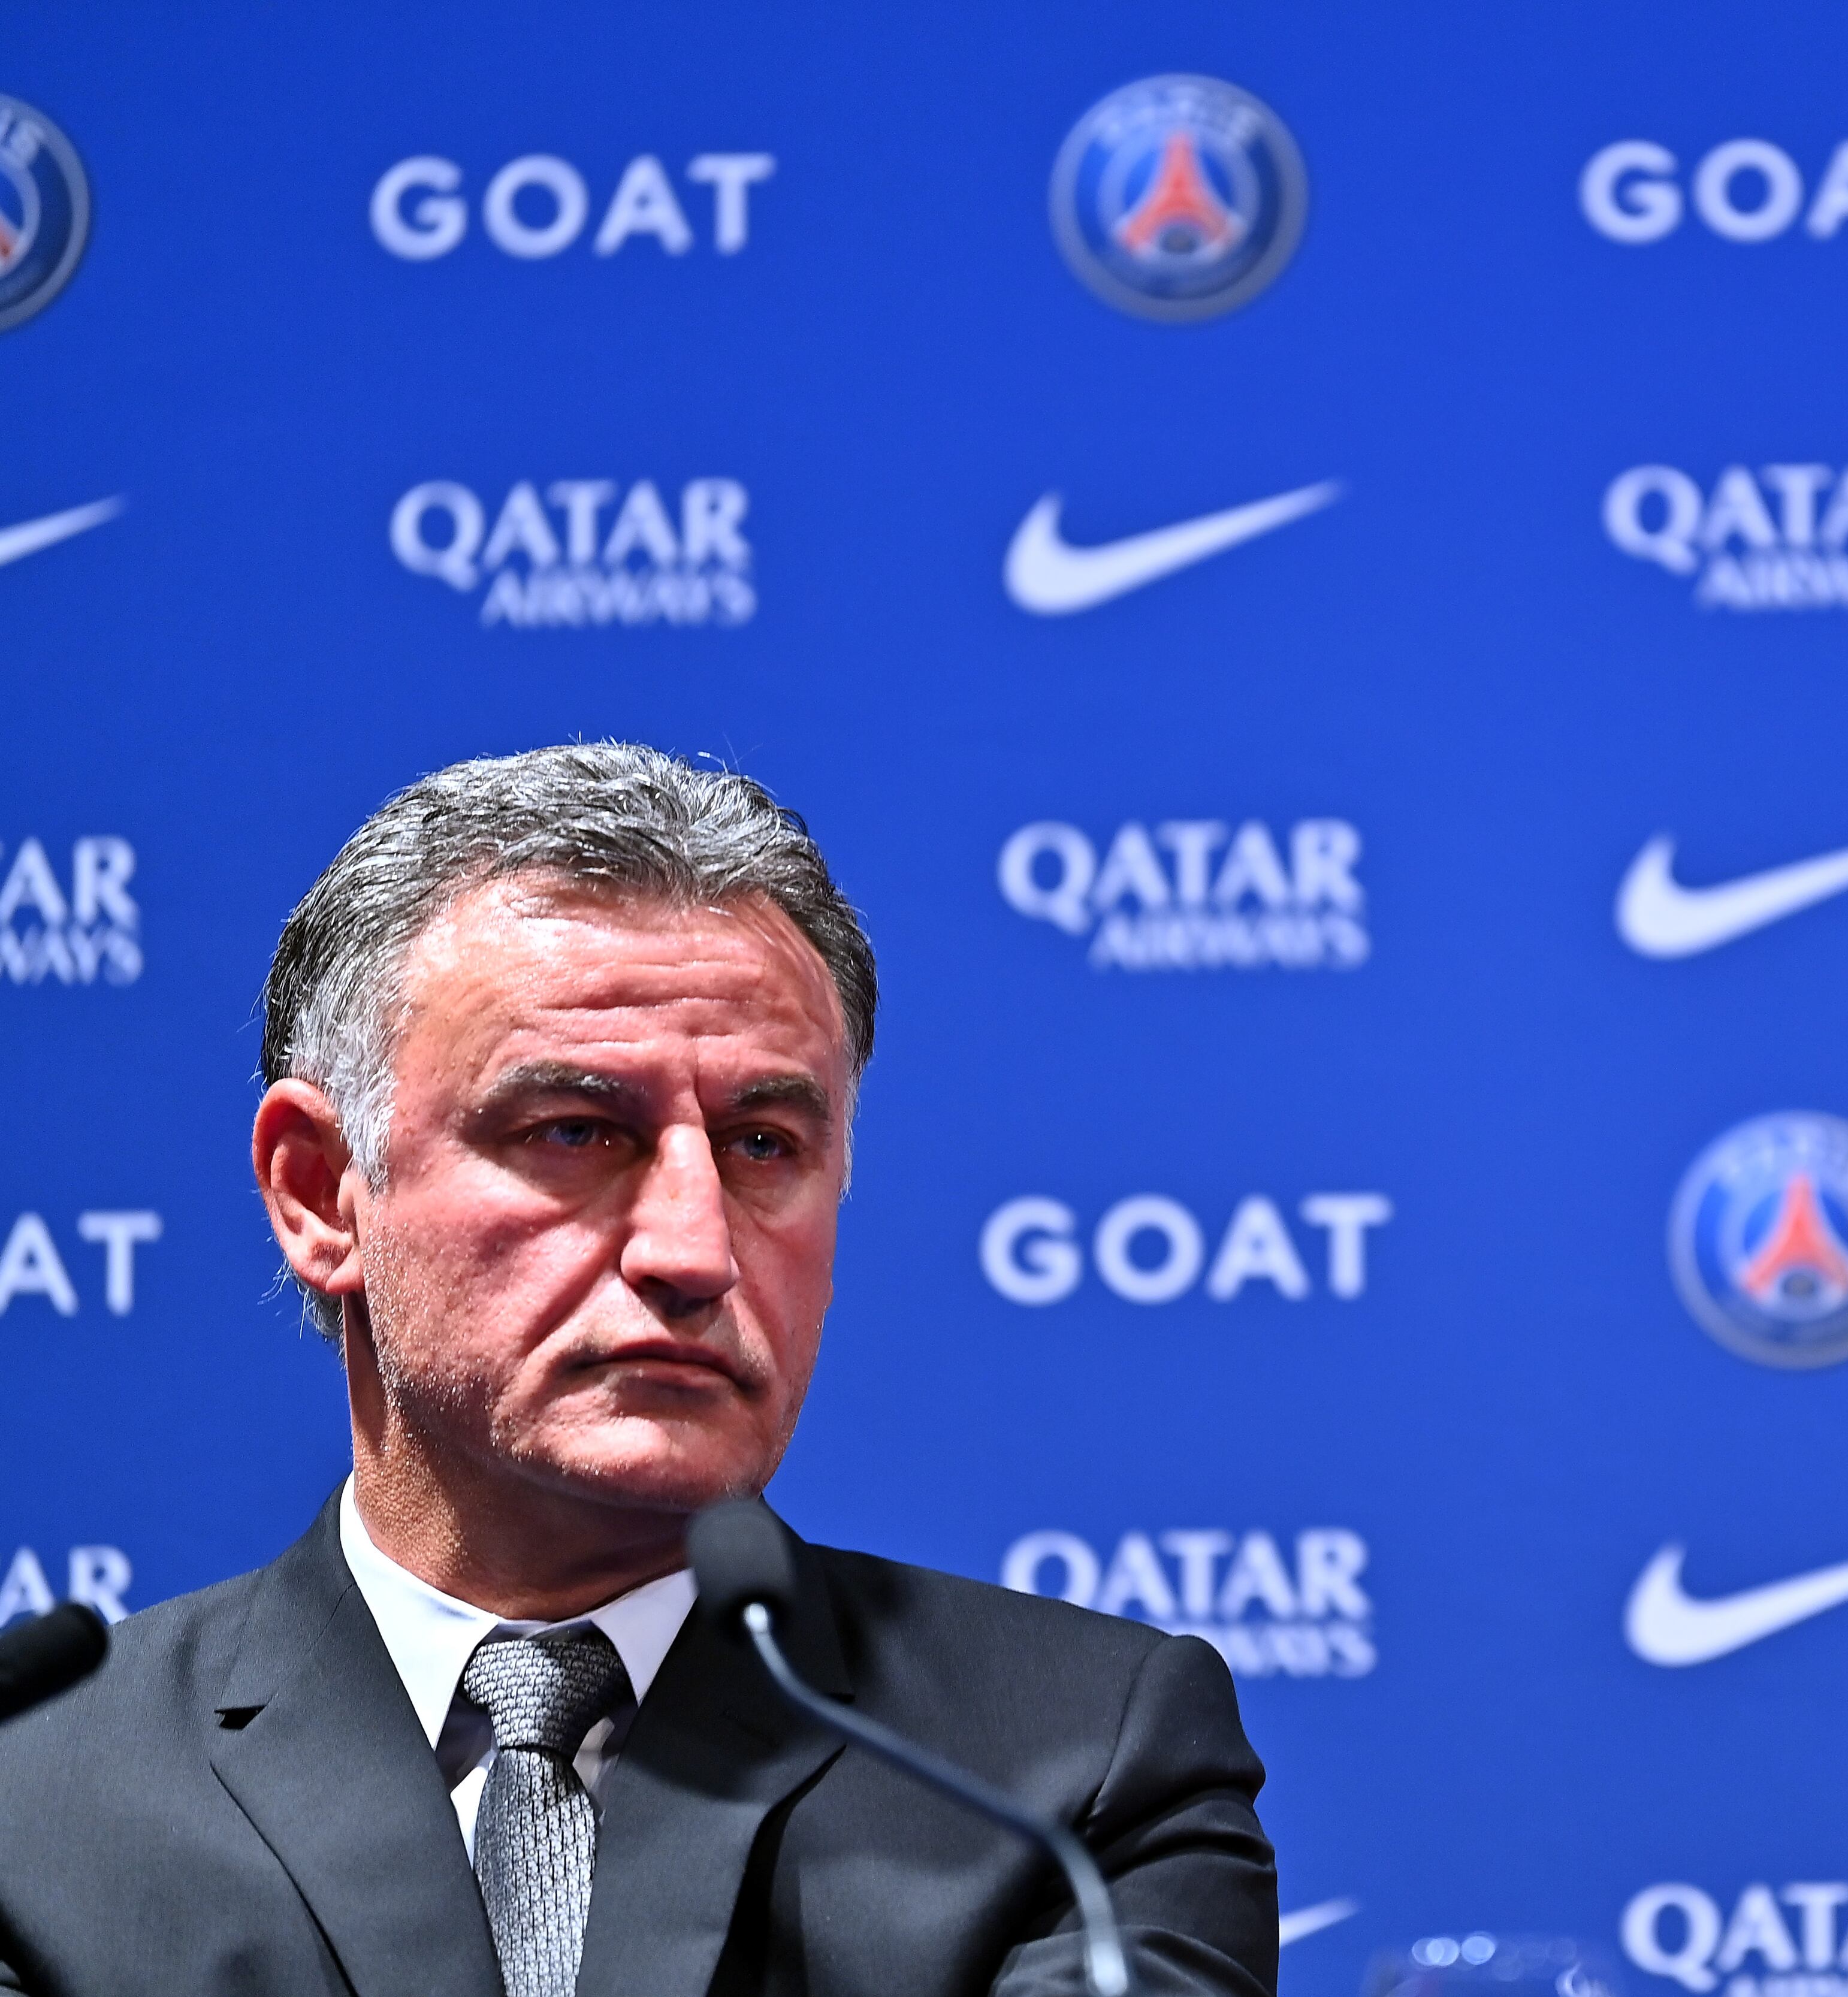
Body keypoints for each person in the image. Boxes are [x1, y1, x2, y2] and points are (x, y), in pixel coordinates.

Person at [0, 744, 1278, 1997]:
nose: (694, 1249)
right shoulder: (33, 1795)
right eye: (575, 1131)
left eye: (763, 1142)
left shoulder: (1079, 1765)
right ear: (323, 1192)